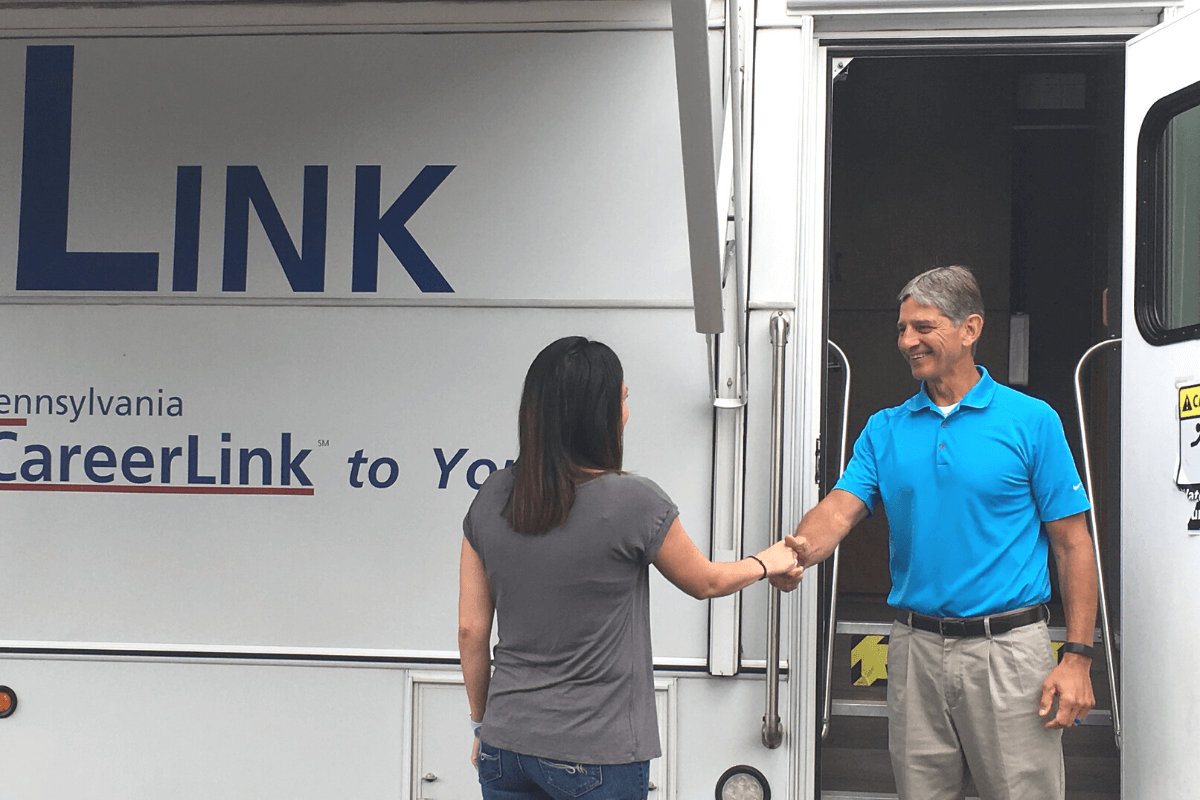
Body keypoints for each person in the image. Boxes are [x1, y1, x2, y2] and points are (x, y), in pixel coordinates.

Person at [788, 266, 1098, 800]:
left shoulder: (1031, 420)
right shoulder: (885, 428)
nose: (907, 341)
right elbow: (839, 510)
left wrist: (1077, 657)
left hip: (1009, 652)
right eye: (902, 328)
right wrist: (796, 551)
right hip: (915, 650)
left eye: (923, 327)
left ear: (969, 329)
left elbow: (1073, 544)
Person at [458, 336, 804, 800]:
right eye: (623, 399)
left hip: (506, 746)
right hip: (597, 751)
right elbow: (705, 581)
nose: (626, 411)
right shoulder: (633, 501)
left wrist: (483, 723)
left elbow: (470, 631)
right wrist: (767, 561)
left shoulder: (493, 495)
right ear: (597, 413)